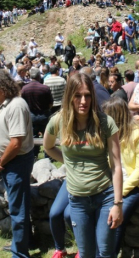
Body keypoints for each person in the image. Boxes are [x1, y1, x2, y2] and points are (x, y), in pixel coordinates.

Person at [44, 73, 123, 258]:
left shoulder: (105, 122)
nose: (83, 101)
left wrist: (118, 204)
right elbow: (47, 147)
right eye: (78, 95)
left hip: (105, 195)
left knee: (105, 251)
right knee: (86, 253)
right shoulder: (58, 120)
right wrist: (69, 163)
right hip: (78, 200)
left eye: (87, 95)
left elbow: (117, 165)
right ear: (69, 96)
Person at [102, 98, 139, 255]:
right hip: (115, 181)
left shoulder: (138, 133)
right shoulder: (109, 133)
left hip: (138, 183)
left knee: (117, 217)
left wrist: (121, 191)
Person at [0, 69, 35, 256]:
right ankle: (23, 243)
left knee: (17, 209)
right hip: (8, 162)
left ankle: (19, 253)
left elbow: (16, 143)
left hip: (17, 163)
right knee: (18, 205)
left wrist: (0, 162)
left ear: (3, 86)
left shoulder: (16, 106)